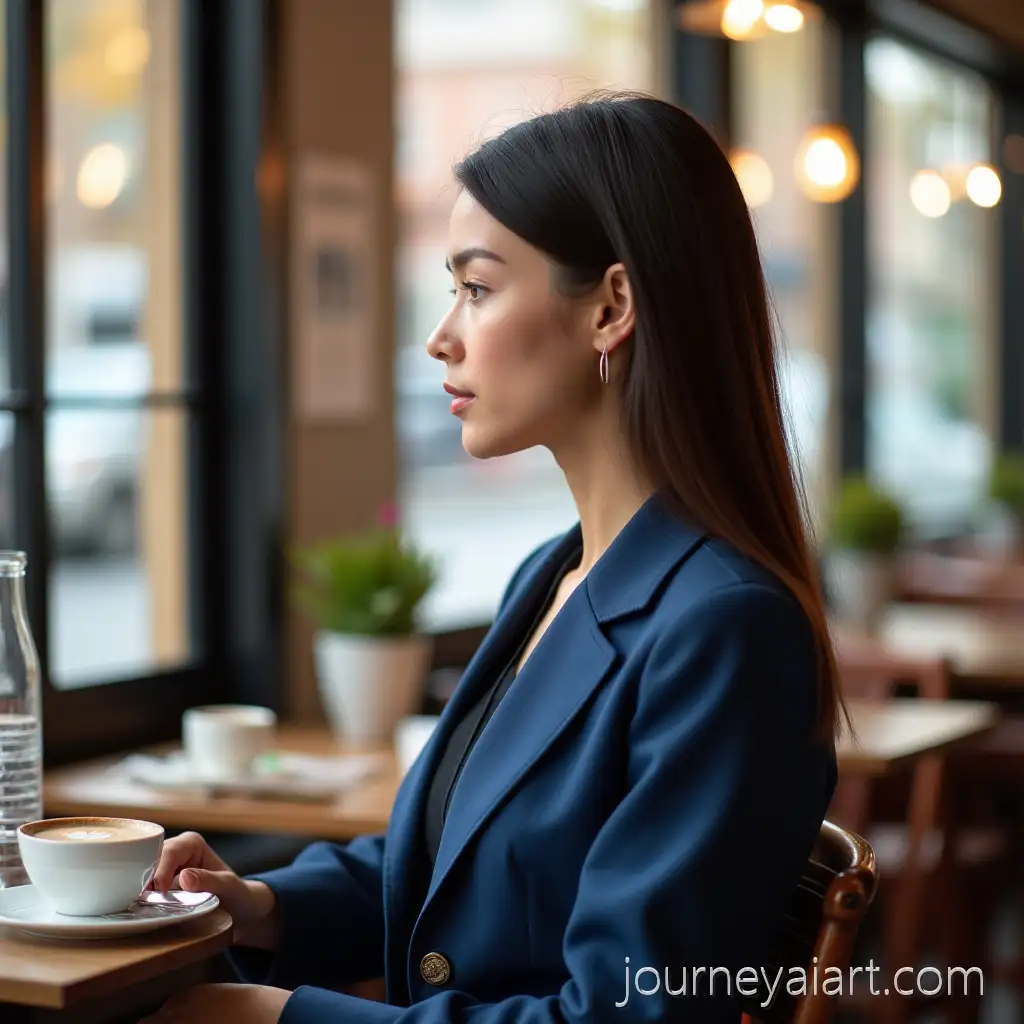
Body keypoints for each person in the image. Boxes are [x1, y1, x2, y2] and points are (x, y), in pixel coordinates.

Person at [141, 93, 844, 1024]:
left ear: (611, 307)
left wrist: (278, 1020)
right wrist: (262, 906)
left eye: (476, 288)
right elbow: (456, 860)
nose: (440, 337)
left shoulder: (726, 627)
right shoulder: (553, 575)